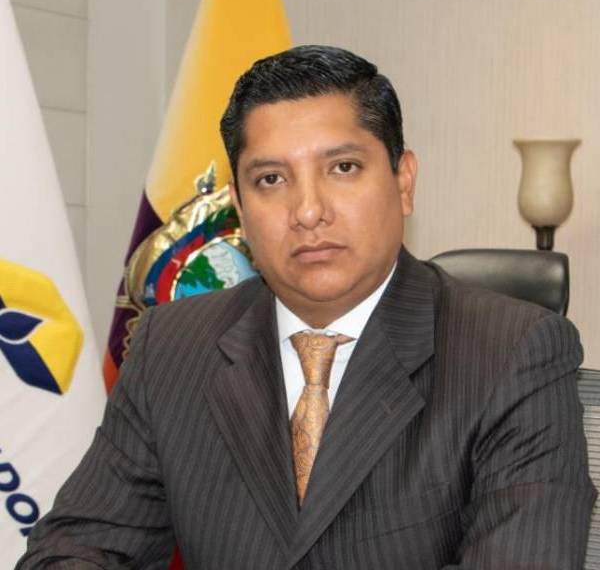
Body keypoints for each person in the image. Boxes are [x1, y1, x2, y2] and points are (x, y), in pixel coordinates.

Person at [18, 45, 595, 569]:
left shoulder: (513, 352)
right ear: (240, 208)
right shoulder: (173, 346)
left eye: (343, 168)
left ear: (403, 182)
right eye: (271, 179)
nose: (309, 211)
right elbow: (72, 549)